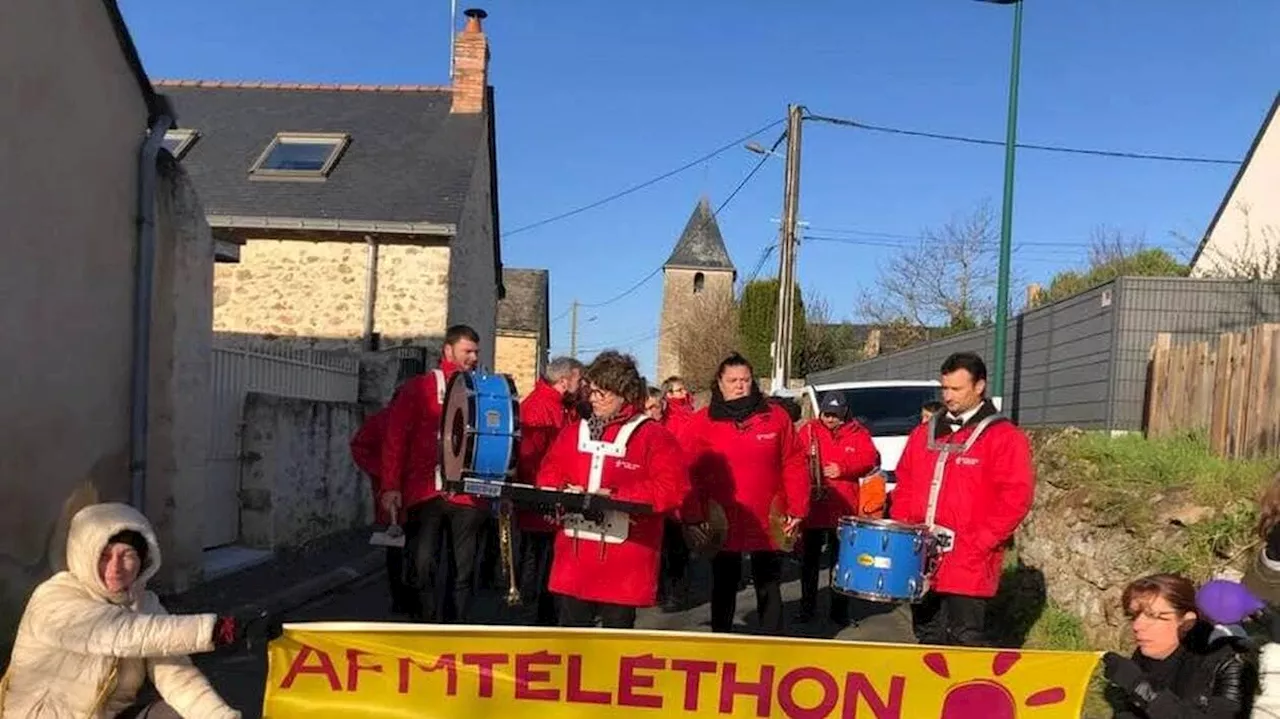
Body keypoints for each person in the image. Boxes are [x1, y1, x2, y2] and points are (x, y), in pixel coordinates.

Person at [0, 503, 276, 719]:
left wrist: (221, 717)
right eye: (104, 555)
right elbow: (121, 633)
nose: (116, 567)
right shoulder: (55, 597)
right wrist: (223, 629)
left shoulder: (145, 604)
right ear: (83, 555)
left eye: (127, 555)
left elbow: (177, 676)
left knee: (176, 714)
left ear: (143, 560)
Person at [889, 351, 1034, 647]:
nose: (948, 396)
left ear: (979, 387)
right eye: (945, 388)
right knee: (927, 635)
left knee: (964, 639)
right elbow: (905, 483)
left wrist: (982, 541)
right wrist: (906, 532)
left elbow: (1016, 496)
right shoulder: (923, 434)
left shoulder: (1003, 437)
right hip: (922, 557)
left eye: (957, 389)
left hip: (969, 560)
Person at [535, 351, 689, 629]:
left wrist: (618, 495)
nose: (593, 399)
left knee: (616, 638)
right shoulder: (572, 432)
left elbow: (672, 488)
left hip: (625, 558)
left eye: (602, 393)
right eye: (591, 391)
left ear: (624, 394)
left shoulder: (654, 437)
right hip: (576, 553)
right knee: (570, 636)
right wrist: (557, 490)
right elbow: (550, 469)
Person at [678, 353, 808, 634]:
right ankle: (721, 641)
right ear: (720, 384)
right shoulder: (702, 422)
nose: (740, 386)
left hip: (769, 514)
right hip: (722, 515)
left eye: (745, 380)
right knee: (724, 584)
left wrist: (798, 509)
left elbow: (795, 462)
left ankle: (773, 644)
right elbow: (688, 470)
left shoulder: (775, 418)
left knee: (769, 583)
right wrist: (691, 515)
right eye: (733, 380)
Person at [379, 324, 487, 623]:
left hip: (468, 496)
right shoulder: (419, 388)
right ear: (448, 350)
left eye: (476, 352)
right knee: (422, 564)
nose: (474, 357)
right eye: (468, 351)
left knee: (463, 572)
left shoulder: (482, 389)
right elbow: (395, 439)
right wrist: (390, 486)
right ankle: (424, 625)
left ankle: (455, 630)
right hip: (424, 492)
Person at [1102, 573, 1254, 718]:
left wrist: (1139, 685)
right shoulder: (1147, 653)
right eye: (1134, 615)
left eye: (1153, 616)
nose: (1137, 625)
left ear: (1187, 621)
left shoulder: (1229, 663)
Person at [795, 392, 881, 626]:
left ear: (844, 413)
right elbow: (794, 458)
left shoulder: (858, 433)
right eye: (826, 414)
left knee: (842, 561)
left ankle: (839, 611)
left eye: (835, 415)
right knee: (809, 562)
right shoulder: (809, 431)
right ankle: (807, 609)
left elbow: (870, 460)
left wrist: (843, 468)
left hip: (843, 507)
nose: (830, 419)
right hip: (814, 505)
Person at [514, 356, 584, 626]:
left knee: (546, 562)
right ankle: (534, 620)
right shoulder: (539, 407)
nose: (582, 386)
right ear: (564, 381)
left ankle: (545, 614)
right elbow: (531, 456)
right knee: (537, 562)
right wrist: (546, 494)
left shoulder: (561, 406)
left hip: (552, 497)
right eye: (579, 381)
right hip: (542, 499)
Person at [350, 387, 418, 616]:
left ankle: (406, 595)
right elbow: (360, 447)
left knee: (409, 549)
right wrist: (380, 472)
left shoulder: (417, 420)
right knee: (399, 549)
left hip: (414, 493)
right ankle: (402, 596)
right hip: (395, 495)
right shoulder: (383, 420)